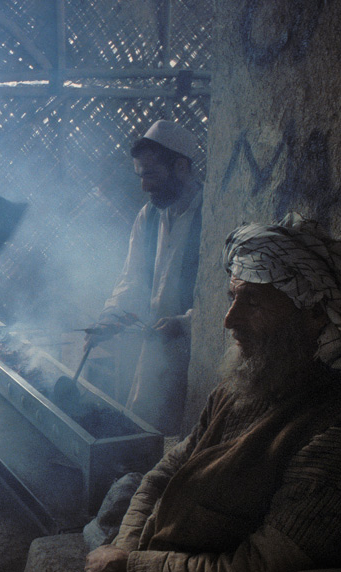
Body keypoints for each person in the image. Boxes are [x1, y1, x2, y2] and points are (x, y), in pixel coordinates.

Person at [0, 213, 341, 572]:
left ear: (313, 312)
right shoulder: (252, 382)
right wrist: (121, 565)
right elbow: (162, 475)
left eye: (253, 302)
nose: (229, 319)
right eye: (233, 297)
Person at [85, 120, 204, 434]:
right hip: (155, 352)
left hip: (199, 355)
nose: (144, 187)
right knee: (148, 432)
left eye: (151, 175)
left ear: (181, 167)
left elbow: (225, 297)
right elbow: (131, 279)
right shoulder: (148, 217)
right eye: (141, 176)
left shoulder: (213, 216)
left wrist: (185, 323)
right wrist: (110, 317)